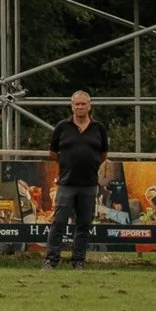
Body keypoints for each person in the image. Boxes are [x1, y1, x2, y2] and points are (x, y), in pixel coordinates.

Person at [46, 90, 109, 270]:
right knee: (58, 222)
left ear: (89, 106)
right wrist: (68, 166)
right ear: (71, 106)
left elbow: (103, 154)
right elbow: (52, 153)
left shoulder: (99, 128)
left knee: (83, 224)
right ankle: (51, 260)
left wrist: (90, 164)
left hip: (89, 184)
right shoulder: (62, 127)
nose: (80, 107)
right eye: (77, 104)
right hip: (66, 184)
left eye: (83, 104)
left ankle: (78, 260)